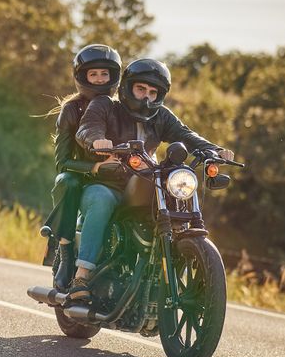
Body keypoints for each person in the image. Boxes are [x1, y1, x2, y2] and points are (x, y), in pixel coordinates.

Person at [67, 58, 235, 301]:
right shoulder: (105, 105)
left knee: (175, 200)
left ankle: (167, 276)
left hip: (147, 183)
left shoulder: (162, 116)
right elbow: (87, 128)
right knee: (101, 200)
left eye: (153, 92)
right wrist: (97, 140)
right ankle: (81, 277)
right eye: (141, 89)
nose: (147, 97)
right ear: (128, 87)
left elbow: (186, 135)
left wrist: (213, 150)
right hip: (108, 182)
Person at [42, 44, 122, 291]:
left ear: (114, 77)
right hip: (81, 177)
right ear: (82, 77)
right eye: (93, 74)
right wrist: (94, 167)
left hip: (115, 179)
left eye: (104, 74)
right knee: (67, 181)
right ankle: (65, 251)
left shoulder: (121, 107)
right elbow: (62, 162)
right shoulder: (71, 109)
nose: (99, 79)